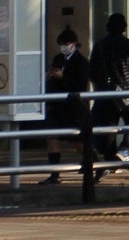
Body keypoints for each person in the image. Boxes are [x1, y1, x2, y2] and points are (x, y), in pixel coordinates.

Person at [89, 13, 129, 163]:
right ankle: (125, 149)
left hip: (105, 92)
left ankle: (109, 161)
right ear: (124, 27)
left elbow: (92, 71)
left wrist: (98, 87)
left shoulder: (99, 46)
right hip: (126, 90)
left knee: (109, 126)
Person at [44, 26, 92, 183]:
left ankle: (95, 164)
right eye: (61, 44)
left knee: (76, 142)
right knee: (52, 138)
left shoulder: (81, 62)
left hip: (73, 108)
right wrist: (51, 76)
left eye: (66, 43)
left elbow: (80, 84)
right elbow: (53, 79)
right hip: (57, 106)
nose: (64, 47)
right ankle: (54, 174)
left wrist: (63, 77)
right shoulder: (58, 59)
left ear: (75, 44)